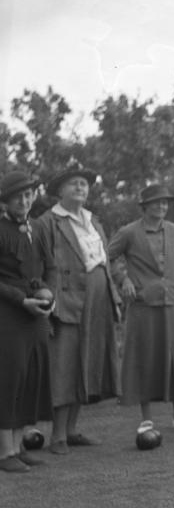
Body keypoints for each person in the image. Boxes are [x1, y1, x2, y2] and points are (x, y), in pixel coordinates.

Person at [35, 163, 121, 455]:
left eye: (84, 184)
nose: (80, 188)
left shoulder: (93, 221)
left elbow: (103, 262)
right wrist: (47, 303)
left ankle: (71, 431)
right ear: (59, 191)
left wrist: (113, 297)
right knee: (65, 366)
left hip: (98, 300)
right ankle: (57, 436)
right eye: (73, 183)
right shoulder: (47, 222)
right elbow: (39, 266)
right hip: (66, 303)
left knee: (87, 364)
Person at [107, 183, 174, 431]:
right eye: (157, 202)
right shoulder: (128, 232)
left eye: (165, 202)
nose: (162, 206)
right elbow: (108, 256)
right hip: (142, 303)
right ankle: (146, 419)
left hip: (171, 302)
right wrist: (123, 278)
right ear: (145, 206)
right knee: (144, 357)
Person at [0, 171, 55, 472]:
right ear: (6, 201)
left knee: (30, 377)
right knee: (9, 378)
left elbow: (53, 268)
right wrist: (21, 300)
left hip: (37, 315)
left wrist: (52, 298)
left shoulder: (39, 228)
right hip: (8, 315)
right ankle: (4, 453)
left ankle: (18, 446)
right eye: (18, 196)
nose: (24, 200)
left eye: (29, 194)